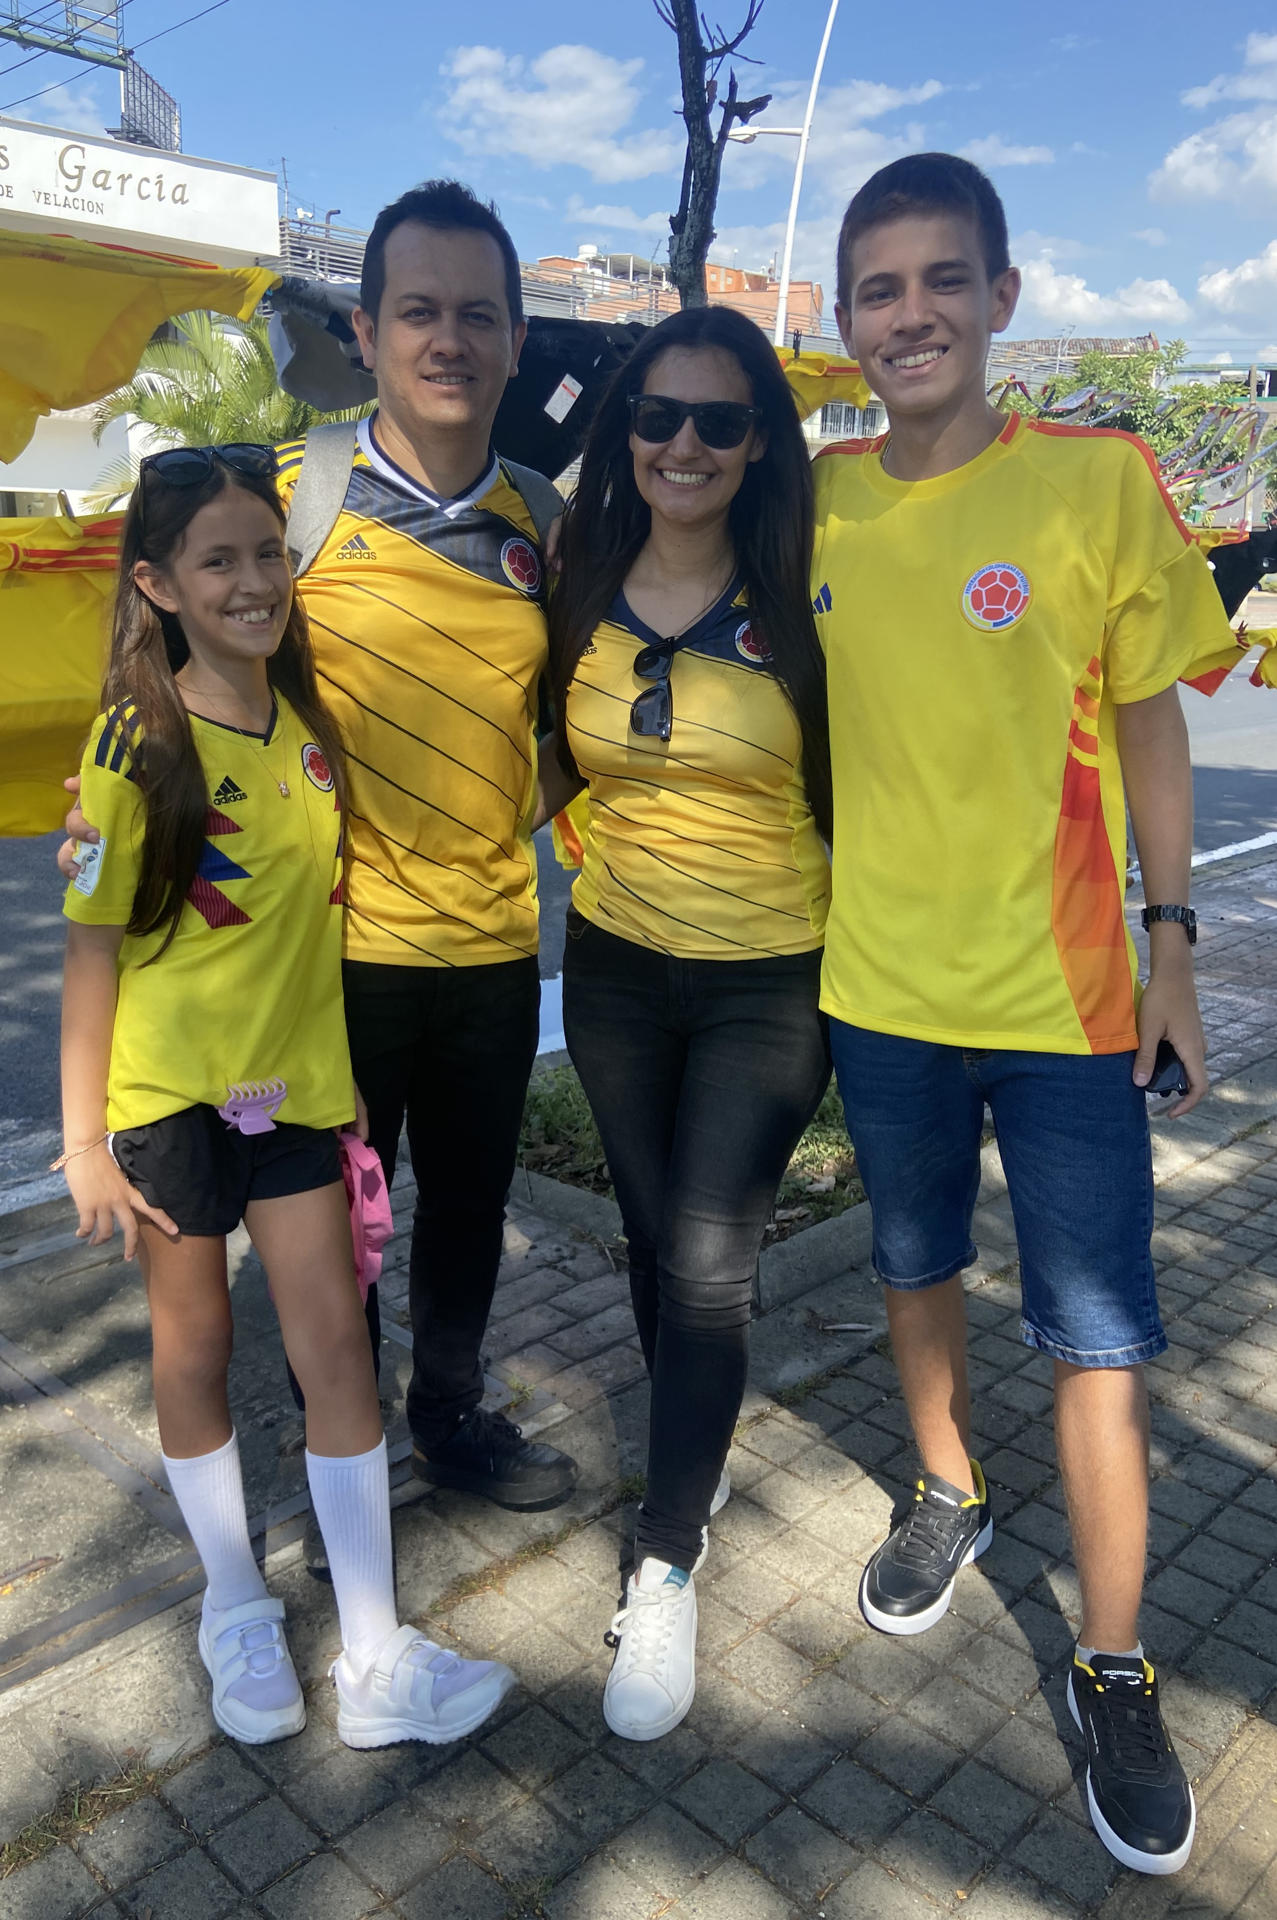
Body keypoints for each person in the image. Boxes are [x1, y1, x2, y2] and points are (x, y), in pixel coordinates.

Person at [814, 153, 1234, 1874]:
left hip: (1064, 1005)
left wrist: (1176, 948)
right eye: (877, 289)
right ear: (846, 323)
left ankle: (1114, 1665)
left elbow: (1149, 718)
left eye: (938, 281)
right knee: (911, 1269)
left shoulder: (1093, 483)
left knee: (1098, 1341)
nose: (907, 313)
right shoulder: (816, 501)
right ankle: (950, 1496)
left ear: (998, 293)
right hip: (878, 995)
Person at [64, 180, 578, 1553]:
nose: (448, 339)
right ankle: (331, 1438)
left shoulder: (547, 520)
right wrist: (121, 780)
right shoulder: (293, 500)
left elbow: (575, 720)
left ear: (517, 338)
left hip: (486, 950)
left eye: (479, 314)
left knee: (468, 1214)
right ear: (368, 327)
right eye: (419, 310)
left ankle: (451, 1416)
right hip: (331, 965)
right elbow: (188, 645)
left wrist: (513, 817)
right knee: (330, 1241)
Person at [58, 445, 514, 1746]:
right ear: (157, 583)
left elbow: (313, 931)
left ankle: (373, 1654)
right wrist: (87, 1142)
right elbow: (91, 947)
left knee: (334, 1356)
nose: (254, 582)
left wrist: (346, 1094)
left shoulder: (309, 731)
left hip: (302, 1106)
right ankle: (234, 1606)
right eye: (219, 560)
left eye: (270, 553)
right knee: (193, 1352)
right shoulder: (133, 744)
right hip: (166, 1115)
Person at [544, 306, 833, 1740]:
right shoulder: (579, 576)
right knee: (656, 1239)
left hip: (768, 980)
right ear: (624, 430)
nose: (683, 444)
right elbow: (545, 745)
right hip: (609, 971)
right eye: (657, 414)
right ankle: (692, 1441)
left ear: (760, 442)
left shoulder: (801, 593)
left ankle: (665, 1560)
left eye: (720, 421)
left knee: (708, 1267)